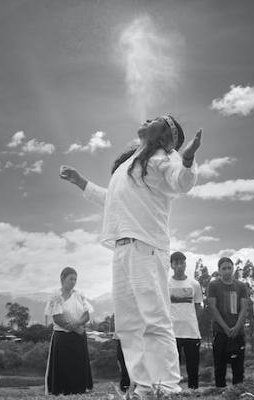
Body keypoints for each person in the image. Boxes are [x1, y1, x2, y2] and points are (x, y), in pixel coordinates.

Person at [60, 115, 202, 396]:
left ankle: (168, 388)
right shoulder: (131, 162)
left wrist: (187, 160)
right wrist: (81, 183)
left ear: (165, 137)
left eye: (157, 120)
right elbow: (113, 200)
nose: (148, 119)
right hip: (123, 249)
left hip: (146, 247)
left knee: (154, 319)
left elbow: (180, 182)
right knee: (128, 325)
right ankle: (146, 387)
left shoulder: (162, 158)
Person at [44, 267, 93, 395]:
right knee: (63, 366)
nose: (73, 282)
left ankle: (79, 389)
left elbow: (87, 315)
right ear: (62, 278)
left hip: (79, 336)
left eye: (75, 279)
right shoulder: (55, 296)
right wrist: (74, 328)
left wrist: (77, 325)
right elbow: (57, 317)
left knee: (78, 365)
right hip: (62, 337)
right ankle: (61, 391)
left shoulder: (79, 295)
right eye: (71, 279)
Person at [208, 257, 248, 387]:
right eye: (223, 268)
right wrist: (225, 328)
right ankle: (220, 393)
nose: (227, 271)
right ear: (219, 270)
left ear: (233, 268)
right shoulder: (213, 285)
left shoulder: (241, 286)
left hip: (238, 333)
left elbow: (244, 308)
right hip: (220, 332)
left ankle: (238, 393)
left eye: (229, 268)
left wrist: (237, 327)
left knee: (238, 369)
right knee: (220, 368)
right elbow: (213, 308)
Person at [168, 251, 203, 389]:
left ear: (185, 263)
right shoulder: (166, 283)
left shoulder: (194, 284)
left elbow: (198, 306)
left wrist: (192, 321)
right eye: (176, 263)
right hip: (172, 333)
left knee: (193, 365)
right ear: (171, 265)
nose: (179, 265)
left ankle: (193, 391)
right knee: (173, 365)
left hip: (191, 332)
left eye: (182, 262)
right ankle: (173, 390)